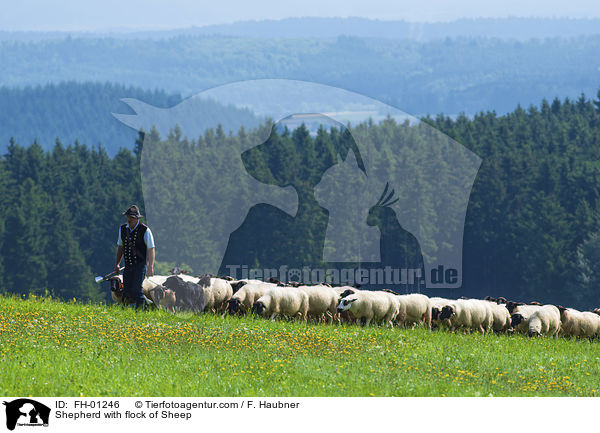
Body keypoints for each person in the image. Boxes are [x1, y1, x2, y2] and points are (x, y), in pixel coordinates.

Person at [114, 205, 155, 308]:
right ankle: (127, 311)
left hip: (140, 265)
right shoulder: (123, 229)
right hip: (128, 265)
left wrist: (150, 267)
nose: (129, 220)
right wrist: (117, 264)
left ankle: (141, 311)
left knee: (137, 290)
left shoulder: (145, 230)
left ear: (137, 218)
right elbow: (120, 247)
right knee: (126, 291)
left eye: (131, 218)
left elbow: (151, 249)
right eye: (128, 218)